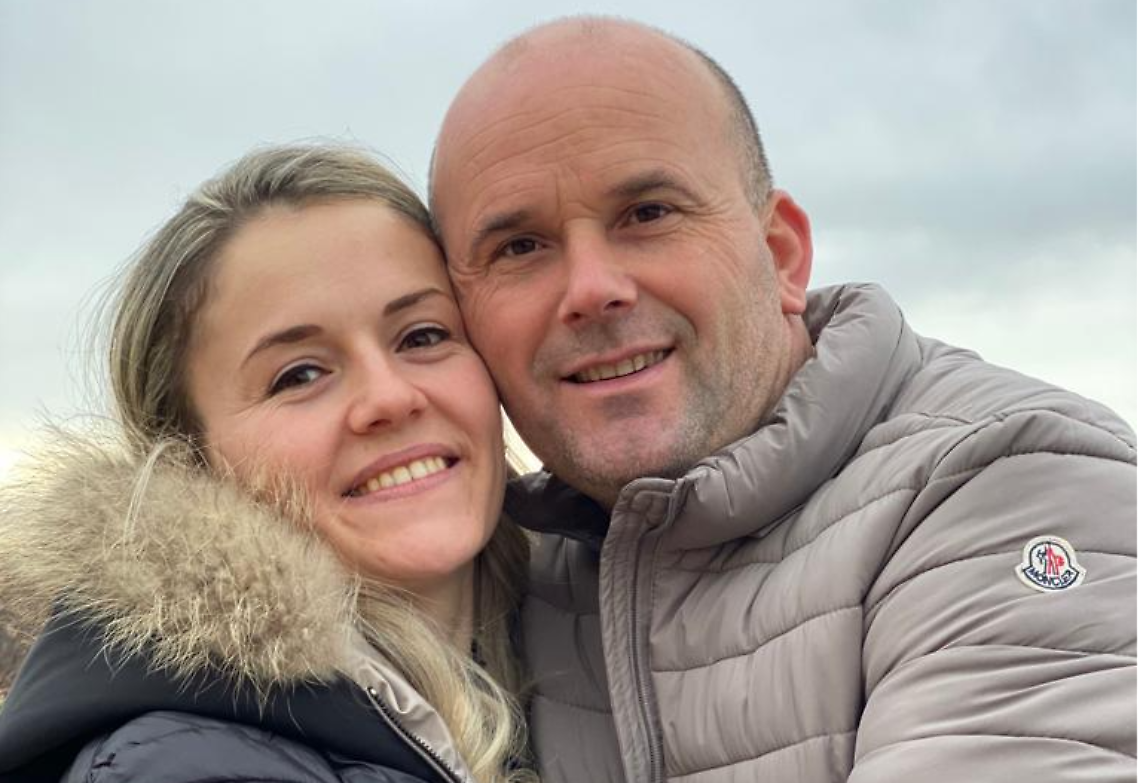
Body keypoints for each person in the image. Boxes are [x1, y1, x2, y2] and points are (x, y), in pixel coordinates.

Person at [430, 17, 1139, 783]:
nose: (592, 289)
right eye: (519, 248)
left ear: (781, 256)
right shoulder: (498, 577)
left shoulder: (1009, 483)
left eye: (649, 213)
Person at [0, 145, 537, 783]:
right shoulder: (183, 765)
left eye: (422, 335)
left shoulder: (584, 644)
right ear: (190, 458)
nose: (390, 398)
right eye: (299, 375)